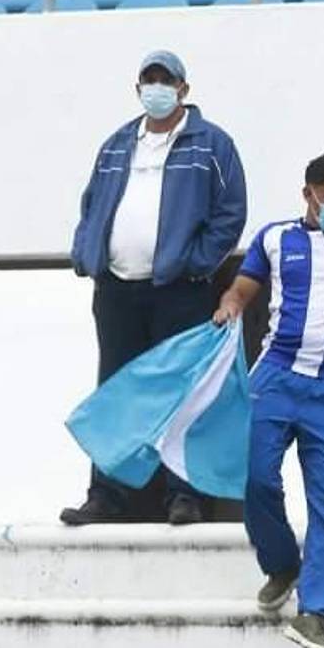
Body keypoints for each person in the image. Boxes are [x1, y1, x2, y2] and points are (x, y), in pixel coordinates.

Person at [212, 154, 324, 648]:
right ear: (308, 194)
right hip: (278, 376)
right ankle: (282, 562)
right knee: (256, 477)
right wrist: (229, 306)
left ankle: (316, 612)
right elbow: (242, 289)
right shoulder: (275, 237)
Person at [62, 49, 247, 526]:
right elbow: (91, 205)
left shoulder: (212, 143)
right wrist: (88, 255)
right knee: (116, 389)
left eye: (167, 80)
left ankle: (184, 495)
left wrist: (196, 263)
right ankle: (106, 496)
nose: (157, 88)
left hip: (179, 289)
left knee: (183, 392)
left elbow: (231, 212)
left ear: (184, 89)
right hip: (117, 288)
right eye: (149, 79)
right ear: (137, 87)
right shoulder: (118, 143)